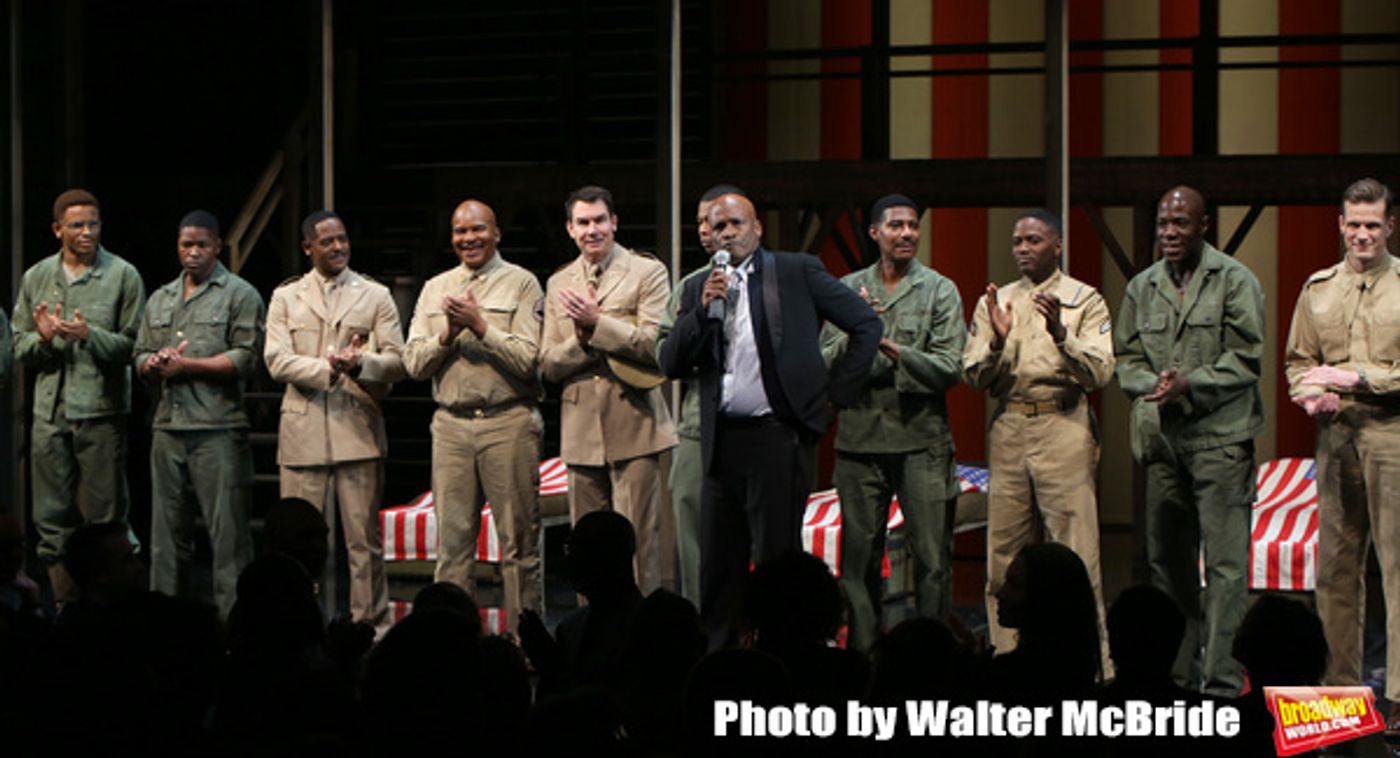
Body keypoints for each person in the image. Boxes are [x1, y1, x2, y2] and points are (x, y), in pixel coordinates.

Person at [659, 191, 881, 649]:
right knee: (718, 567)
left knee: (778, 562)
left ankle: (785, 659)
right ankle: (718, 667)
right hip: (720, 444)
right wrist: (701, 309)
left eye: (736, 224)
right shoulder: (698, 286)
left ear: (756, 228)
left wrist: (834, 397)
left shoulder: (795, 271)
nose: (728, 234)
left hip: (776, 439)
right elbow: (671, 362)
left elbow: (866, 325)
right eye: (718, 227)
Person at [1115, 185, 1264, 696]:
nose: (1169, 233)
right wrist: (1149, 386)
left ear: (1204, 227)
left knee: (1225, 569)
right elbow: (1126, 360)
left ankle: (1221, 684)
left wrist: (1191, 384)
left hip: (1220, 442)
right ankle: (1176, 681)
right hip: (1163, 443)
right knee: (1168, 567)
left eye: (1181, 223)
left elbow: (1247, 358)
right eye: (1163, 224)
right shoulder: (1142, 287)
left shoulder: (1235, 281)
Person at [963, 209, 1114, 663]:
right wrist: (994, 342)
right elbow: (971, 374)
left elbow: (1102, 371)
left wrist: (1062, 335)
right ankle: (1005, 659)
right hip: (1010, 424)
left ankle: (1089, 664)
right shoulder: (998, 299)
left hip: (1062, 422)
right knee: (1002, 555)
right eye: (1017, 241)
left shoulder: (1084, 299)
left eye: (1034, 240)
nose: (1023, 248)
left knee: (1075, 551)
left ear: (1057, 246)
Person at [821, 193, 965, 652]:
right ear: (875, 233)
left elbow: (949, 367)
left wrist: (891, 348)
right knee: (859, 561)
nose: (906, 234)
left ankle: (931, 659)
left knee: (931, 558)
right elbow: (822, 362)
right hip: (860, 442)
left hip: (921, 439)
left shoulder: (939, 289)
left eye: (912, 226)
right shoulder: (846, 289)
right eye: (896, 226)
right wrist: (854, 334)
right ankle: (863, 659)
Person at [1285, 178, 1400, 712]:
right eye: (1353, 224)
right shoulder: (1318, 288)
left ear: (1390, 226)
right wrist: (1310, 396)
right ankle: (1339, 696)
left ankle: (1399, 699)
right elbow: (1298, 365)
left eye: (1372, 224)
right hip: (1335, 439)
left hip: (1390, 435)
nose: (1362, 234)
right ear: (1340, 224)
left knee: (1396, 569)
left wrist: (1354, 377)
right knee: (1335, 571)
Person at [404, 199, 545, 629]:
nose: (469, 238)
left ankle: (527, 645)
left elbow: (529, 361)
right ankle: (455, 642)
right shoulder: (435, 288)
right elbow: (413, 363)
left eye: (478, 230)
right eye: (460, 232)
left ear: (496, 233)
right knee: (453, 546)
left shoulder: (522, 284)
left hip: (509, 421)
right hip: (450, 426)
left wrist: (481, 326)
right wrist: (447, 333)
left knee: (519, 544)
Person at [265, 210, 407, 633]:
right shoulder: (286, 297)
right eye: (327, 241)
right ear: (307, 247)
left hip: (357, 428)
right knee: (300, 543)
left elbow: (399, 362)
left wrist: (361, 362)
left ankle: (371, 629)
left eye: (343, 239)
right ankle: (302, 625)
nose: (338, 247)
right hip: (303, 431)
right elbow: (275, 359)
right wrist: (328, 369)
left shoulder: (374, 294)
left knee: (363, 543)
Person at [540, 185, 677, 594]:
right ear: (569, 228)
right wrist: (583, 341)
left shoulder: (646, 272)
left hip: (636, 422)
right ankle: (592, 638)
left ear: (614, 222)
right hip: (581, 430)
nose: (592, 229)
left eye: (600, 220)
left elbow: (657, 346)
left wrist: (598, 324)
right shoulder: (559, 282)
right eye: (582, 222)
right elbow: (548, 364)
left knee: (639, 543)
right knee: (588, 547)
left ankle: (642, 634)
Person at [12, 189, 146, 605]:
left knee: (106, 518)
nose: (87, 232)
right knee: (51, 519)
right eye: (77, 225)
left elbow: (134, 346)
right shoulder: (37, 277)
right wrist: (46, 340)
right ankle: (65, 609)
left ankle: (112, 610)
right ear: (57, 230)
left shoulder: (122, 275)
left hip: (100, 410)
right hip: (50, 411)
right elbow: (18, 346)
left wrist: (91, 336)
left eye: (93, 224)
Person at [134, 210, 264, 617]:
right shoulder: (161, 297)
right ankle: (165, 624)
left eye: (201, 245)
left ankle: (233, 626)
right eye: (185, 245)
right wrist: (152, 364)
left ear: (217, 247)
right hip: (168, 426)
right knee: (165, 538)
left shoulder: (239, 294)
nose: (192, 253)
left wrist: (188, 366)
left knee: (227, 536)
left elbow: (246, 358)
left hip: (217, 428)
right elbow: (138, 353)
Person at [656, 183, 745, 607]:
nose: (712, 232)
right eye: (705, 224)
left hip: (754, 424)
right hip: (697, 424)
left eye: (724, 223)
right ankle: (698, 623)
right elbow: (664, 351)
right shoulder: (691, 287)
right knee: (692, 529)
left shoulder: (770, 279)